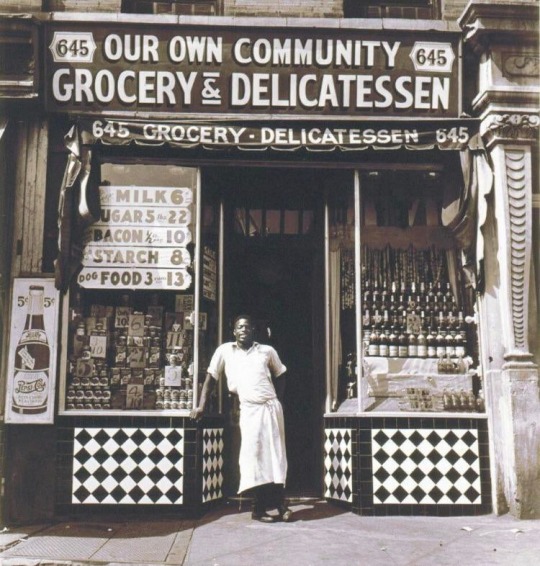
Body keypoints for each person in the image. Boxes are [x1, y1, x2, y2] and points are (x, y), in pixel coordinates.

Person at [190, 315, 292, 523]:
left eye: (247, 326)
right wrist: (200, 406)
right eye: (239, 327)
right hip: (248, 410)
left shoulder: (266, 351)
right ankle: (258, 508)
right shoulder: (225, 351)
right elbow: (210, 379)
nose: (243, 329)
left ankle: (281, 506)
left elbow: (281, 375)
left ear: (253, 331)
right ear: (233, 332)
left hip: (271, 409)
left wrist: (278, 400)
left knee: (276, 456)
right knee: (253, 457)